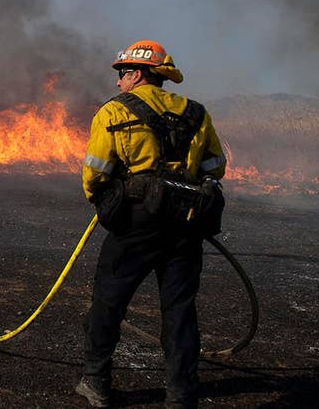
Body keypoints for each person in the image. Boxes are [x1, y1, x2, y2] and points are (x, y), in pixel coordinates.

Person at [77, 40, 227, 408]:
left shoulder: (112, 112)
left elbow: (95, 173)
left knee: (109, 300)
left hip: (136, 220)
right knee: (179, 309)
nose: (118, 83)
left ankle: (95, 381)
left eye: (123, 73)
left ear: (139, 73)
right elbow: (215, 167)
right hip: (186, 223)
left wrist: (107, 200)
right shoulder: (196, 112)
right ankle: (180, 396)